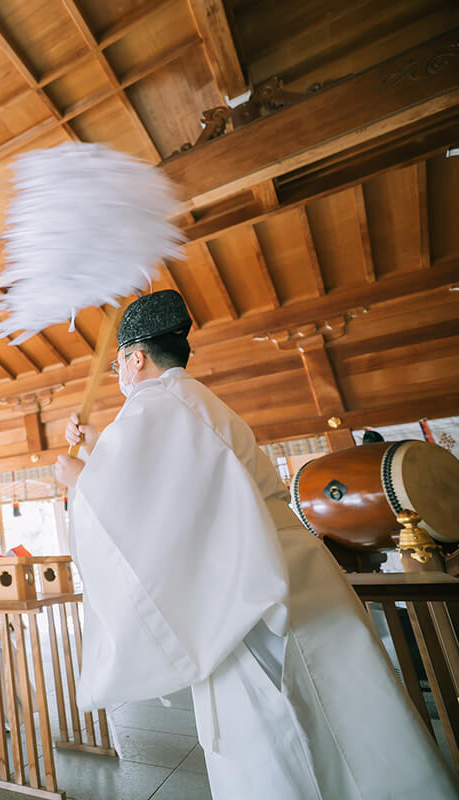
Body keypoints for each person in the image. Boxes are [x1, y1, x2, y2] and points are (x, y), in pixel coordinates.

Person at [52, 290, 455, 799]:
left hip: (251, 592)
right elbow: (168, 495)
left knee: (279, 738)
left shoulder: (157, 405)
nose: (121, 375)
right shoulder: (191, 400)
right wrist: (93, 450)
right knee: (356, 727)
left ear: (135, 357)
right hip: (291, 573)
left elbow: (137, 513)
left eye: (119, 365)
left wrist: (80, 479)